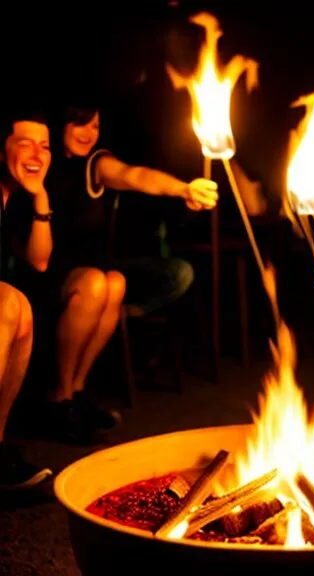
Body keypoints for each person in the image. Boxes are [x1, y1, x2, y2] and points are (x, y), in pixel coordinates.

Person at [43, 100, 218, 438]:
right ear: (61, 124)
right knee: (98, 282)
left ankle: (76, 390)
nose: (89, 133)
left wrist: (183, 189)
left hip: (92, 270)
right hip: (48, 271)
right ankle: (58, 397)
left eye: (95, 126)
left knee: (116, 281)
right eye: (81, 124)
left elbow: (133, 175)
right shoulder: (42, 163)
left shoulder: (94, 164)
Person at [0, 107, 54, 489]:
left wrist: (41, 198)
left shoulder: (16, 198)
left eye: (44, 146)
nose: (37, 155)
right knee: (8, 303)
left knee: (19, 306)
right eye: (25, 144)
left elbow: (40, 260)